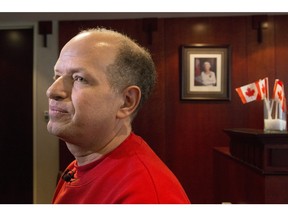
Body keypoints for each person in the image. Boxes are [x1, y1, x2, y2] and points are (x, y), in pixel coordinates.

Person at [46, 27, 190, 204]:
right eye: (57, 76)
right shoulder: (78, 168)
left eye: (79, 78)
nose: (52, 91)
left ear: (126, 101)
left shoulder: (146, 195)